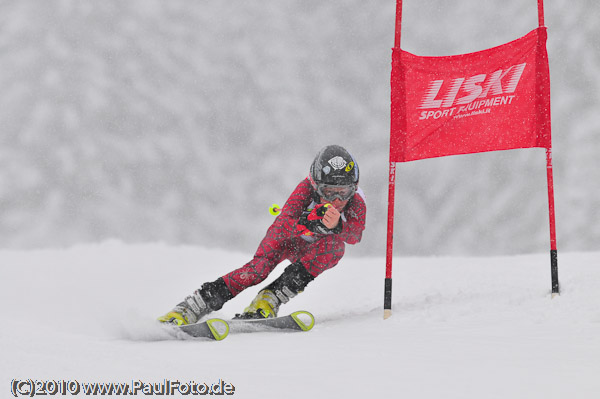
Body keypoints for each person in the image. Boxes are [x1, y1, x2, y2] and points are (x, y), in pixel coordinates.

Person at [158, 145, 366, 325]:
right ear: (315, 186)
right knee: (257, 270)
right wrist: (309, 222)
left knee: (335, 247)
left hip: (312, 250)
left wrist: (338, 226)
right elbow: (284, 224)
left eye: (344, 192)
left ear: (353, 189)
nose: (337, 200)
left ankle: (269, 299)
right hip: (286, 240)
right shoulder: (304, 190)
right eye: (329, 192)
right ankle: (193, 305)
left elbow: (355, 235)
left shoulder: (357, 202)